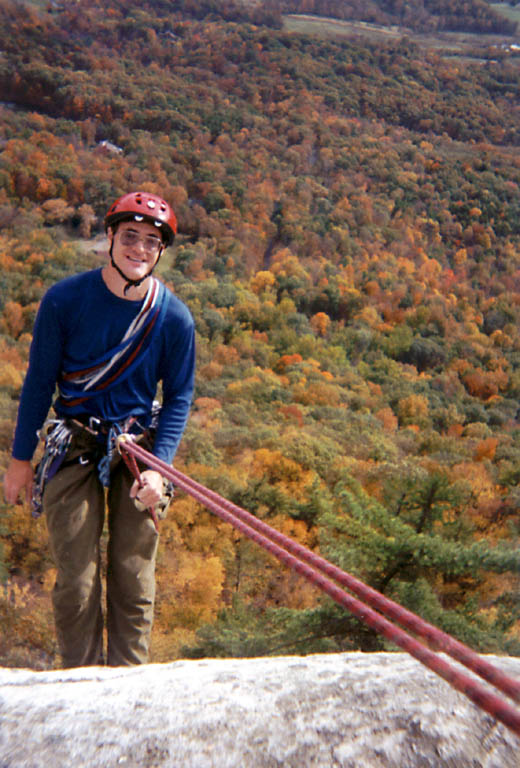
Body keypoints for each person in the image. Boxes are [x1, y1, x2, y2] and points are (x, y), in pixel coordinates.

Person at [3, 191, 196, 667]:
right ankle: (80, 683)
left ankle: (128, 688)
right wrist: (20, 460)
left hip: (138, 452)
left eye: (152, 242)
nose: (139, 249)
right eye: (130, 236)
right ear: (110, 237)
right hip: (75, 443)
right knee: (78, 579)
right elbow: (38, 384)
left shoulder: (173, 318)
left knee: (133, 576)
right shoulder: (65, 301)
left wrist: (161, 469)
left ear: (161, 252)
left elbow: (179, 397)